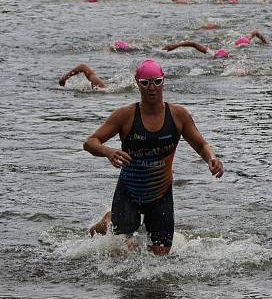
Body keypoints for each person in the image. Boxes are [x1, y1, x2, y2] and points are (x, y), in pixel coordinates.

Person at [83, 59, 224, 254]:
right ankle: (107, 220)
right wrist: (108, 151)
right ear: (137, 82)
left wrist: (211, 158)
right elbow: (90, 142)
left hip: (160, 195)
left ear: (163, 81)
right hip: (129, 193)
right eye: (145, 82)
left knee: (160, 255)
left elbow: (200, 144)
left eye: (157, 81)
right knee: (124, 251)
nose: (152, 87)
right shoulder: (125, 116)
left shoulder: (178, 115)